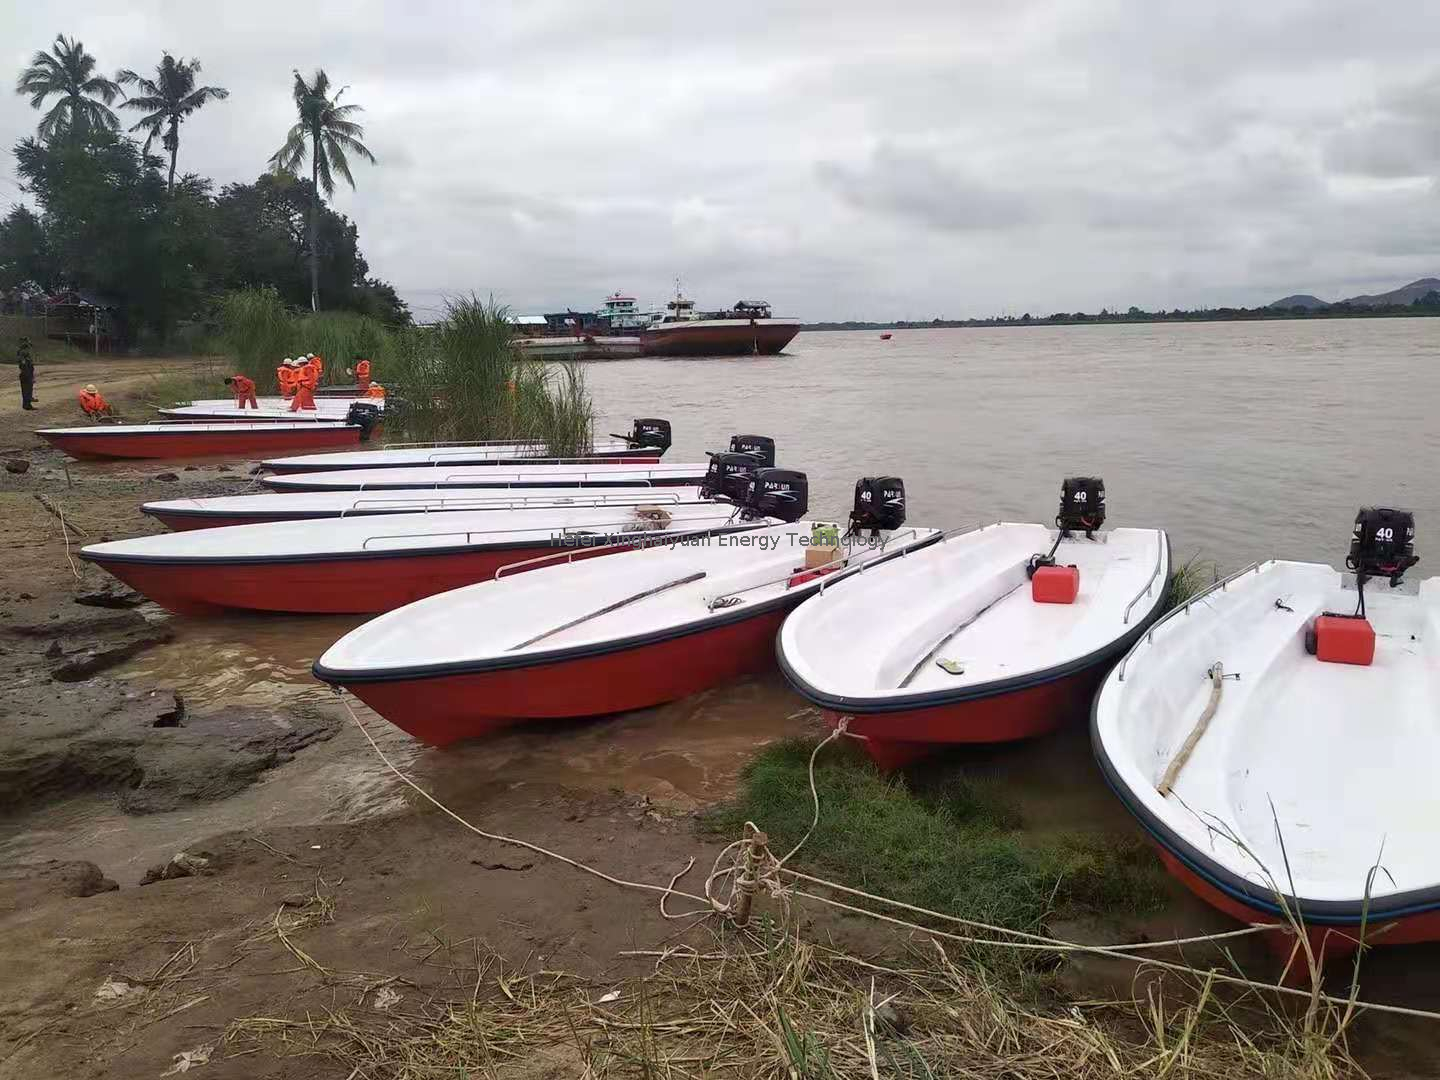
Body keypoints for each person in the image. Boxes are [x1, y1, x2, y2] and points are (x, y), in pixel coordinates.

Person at [15, 337, 36, 411]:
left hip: (27, 370)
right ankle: (27, 404)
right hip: (26, 370)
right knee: (27, 388)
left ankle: (27, 402)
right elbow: (23, 363)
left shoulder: (23, 351)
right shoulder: (22, 352)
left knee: (28, 388)